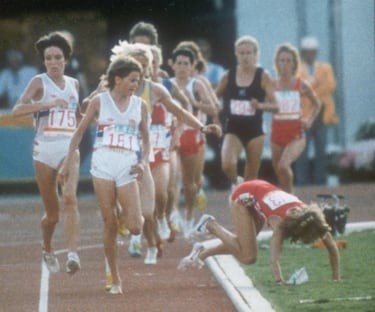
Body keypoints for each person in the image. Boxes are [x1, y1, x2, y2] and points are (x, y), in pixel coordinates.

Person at [59, 56, 148, 295]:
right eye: (132, 80)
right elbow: (78, 134)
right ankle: (115, 277)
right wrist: (67, 162)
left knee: (136, 227)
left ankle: (123, 215)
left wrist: (143, 162)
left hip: (128, 164)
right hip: (103, 164)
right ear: (117, 79)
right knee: (108, 222)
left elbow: (146, 139)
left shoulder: (140, 105)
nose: (136, 85)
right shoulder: (100, 101)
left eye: (138, 81)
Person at [179, 179, 341, 284]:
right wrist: (280, 281)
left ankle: (202, 253)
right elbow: (274, 257)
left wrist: (336, 279)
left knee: (242, 245)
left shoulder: (313, 220)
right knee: (248, 257)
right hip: (243, 197)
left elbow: (332, 249)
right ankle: (210, 225)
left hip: (259, 191)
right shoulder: (281, 224)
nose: (311, 240)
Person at [12, 32, 81, 274]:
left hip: (69, 147)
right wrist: (48, 104)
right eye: (48, 58)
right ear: (44, 61)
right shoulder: (39, 82)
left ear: (66, 59)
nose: (53, 62)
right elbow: (16, 110)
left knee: (70, 198)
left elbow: (78, 116)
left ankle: (72, 254)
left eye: (57, 57)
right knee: (52, 215)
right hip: (44, 151)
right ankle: (47, 246)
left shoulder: (74, 84)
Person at [216, 36, 278, 187]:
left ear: (256, 55)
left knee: (251, 177)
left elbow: (276, 106)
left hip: (255, 130)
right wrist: (215, 113)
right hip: (233, 129)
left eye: (249, 53)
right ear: (236, 55)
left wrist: (260, 106)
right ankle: (237, 183)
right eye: (242, 53)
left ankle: (246, 203)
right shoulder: (228, 75)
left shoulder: (263, 76)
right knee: (227, 164)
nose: (245, 57)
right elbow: (213, 97)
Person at [170, 47, 219, 237]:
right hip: (172, 134)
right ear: (172, 65)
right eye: (179, 63)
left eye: (186, 64)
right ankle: (174, 214)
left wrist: (195, 103)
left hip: (193, 135)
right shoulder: (167, 84)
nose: (182, 67)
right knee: (172, 180)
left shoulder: (196, 85)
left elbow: (213, 109)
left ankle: (189, 215)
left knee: (192, 183)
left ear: (192, 67)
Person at [271, 44, 321, 193]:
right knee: (280, 174)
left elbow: (317, 104)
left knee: (283, 166)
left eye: (288, 61)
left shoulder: (301, 84)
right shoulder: (271, 86)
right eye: (282, 60)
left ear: (294, 64)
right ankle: (285, 204)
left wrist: (309, 120)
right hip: (277, 135)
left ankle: (291, 198)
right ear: (277, 63)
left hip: (296, 134)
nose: (285, 64)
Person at [295, 36, 338, 185]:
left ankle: (320, 180)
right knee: (302, 150)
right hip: (304, 115)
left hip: (321, 113)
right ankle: (302, 182)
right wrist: (317, 84)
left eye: (313, 52)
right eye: (307, 52)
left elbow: (331, 85)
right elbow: (299, 88)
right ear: (303, 53)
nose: (310, 54)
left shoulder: (326, 68)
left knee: (321, 149)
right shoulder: (297, 69)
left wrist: (310, 88)